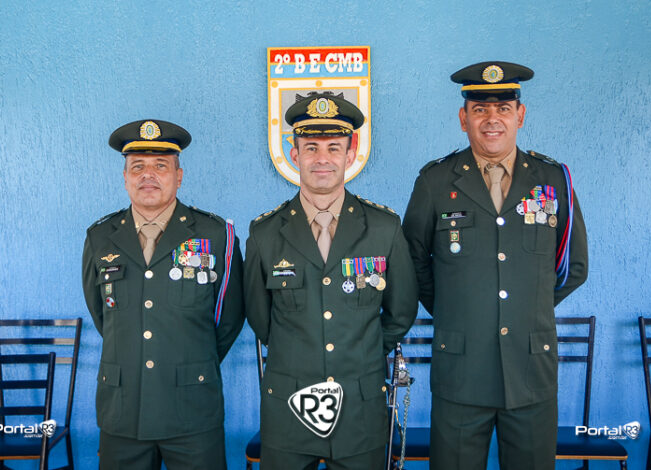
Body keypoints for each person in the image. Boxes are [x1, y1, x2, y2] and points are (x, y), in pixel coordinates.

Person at [402, 62, 588, 470]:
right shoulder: (435, 181)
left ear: (520, 115)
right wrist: (455, 310)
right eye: (480, 109)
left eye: (503, 108)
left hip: (530, 367)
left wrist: (526, 308)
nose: (492, 119)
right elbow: (412, 261)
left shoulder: (554, 179)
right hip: (461, 367)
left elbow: (573, 266)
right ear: (463, 118)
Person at [245, 92, 418, 470]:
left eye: (333, 147)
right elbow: (260, 317)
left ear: (350, 155)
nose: (322, 158)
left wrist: (359, 352)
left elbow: (401, 311)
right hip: (289, 406)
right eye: (311, 148)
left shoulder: (384, 228)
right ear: (294, 155)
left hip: (360, 405)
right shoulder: (265, 233)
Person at [82, 119, 244, 470]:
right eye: (137, 166)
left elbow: (228, 318)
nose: (148, 175)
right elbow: (103, 315)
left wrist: (187, 360)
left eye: (160, 166)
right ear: (125, 177)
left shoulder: (216, 234)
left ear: (178, 176)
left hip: (192, 409)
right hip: (123, 411)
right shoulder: (100, 237)